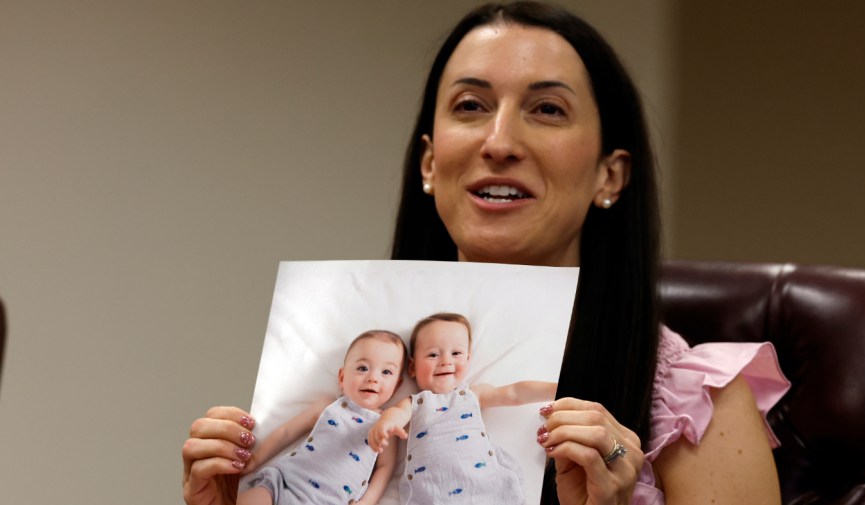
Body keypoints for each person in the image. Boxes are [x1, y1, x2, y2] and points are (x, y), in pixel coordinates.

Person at [182, 2, 790, 504]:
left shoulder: (696, 400)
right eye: (471, 107)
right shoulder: (364, 372)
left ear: (611, 175)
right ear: (429, 163)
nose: (499, 142)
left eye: (547, 109)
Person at [367, 313, 557, 504]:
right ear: (412, 367)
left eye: (456, 353)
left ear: (467, 358)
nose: (445, 361)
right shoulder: (416, 403)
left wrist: (559, 389)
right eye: (433, 354)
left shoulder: (472, 395)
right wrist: (387, 423)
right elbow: (397, 413)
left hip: (483, 485)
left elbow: (515, 393)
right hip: (432, 492)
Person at [236, 330, 407, 505]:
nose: (373, 378)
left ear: (397, 385)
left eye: (386, 372)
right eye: (362, 368)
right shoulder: (328, 406)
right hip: (284, 484)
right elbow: (286, 432)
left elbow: (385, 468)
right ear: (342, 377)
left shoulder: (386, 423)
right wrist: (256, 460)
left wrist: (366, 502)